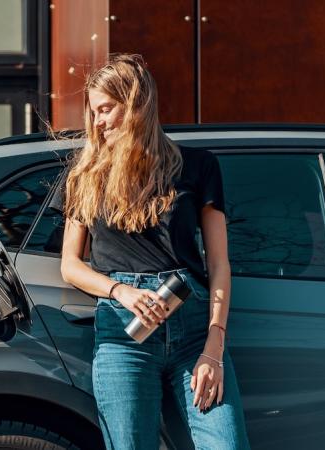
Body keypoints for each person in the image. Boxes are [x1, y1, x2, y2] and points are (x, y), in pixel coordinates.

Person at [53, 54, 251, 449]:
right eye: (94, 113)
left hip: (194, 329)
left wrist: (214, 347)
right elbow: (70, 266)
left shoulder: (197, 166)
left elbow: (218, 263)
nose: (98, 122)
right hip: (123, 335)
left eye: (106, 109)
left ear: (137, 104)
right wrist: (120, 291)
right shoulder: (85, 176)